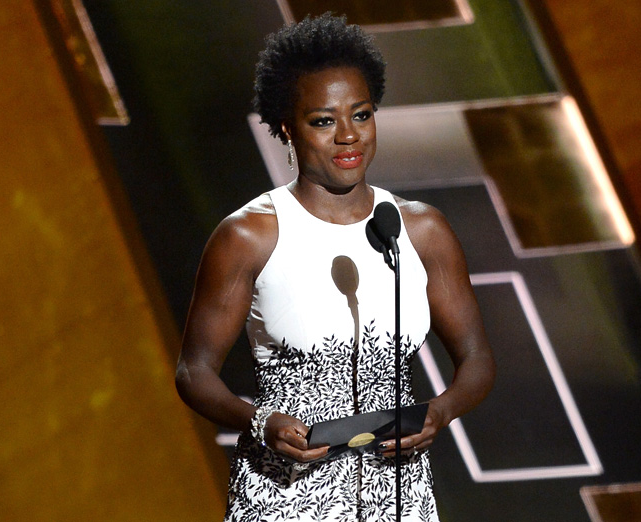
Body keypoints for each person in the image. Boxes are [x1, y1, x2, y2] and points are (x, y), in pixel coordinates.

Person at [175, 13, 494, 522]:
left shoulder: (421, 230)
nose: (349, 136)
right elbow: (194, 371)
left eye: (362, 115)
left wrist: (440, 411)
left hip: (398, 492)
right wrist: (260, 422)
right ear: (286, 128)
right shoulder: (249, 236)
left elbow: (476, 359)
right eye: (323, 121)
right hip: (287, 493)